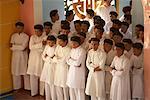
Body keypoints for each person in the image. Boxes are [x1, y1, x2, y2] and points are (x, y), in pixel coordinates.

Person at [10, 22, 30, 90]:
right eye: (17, 28)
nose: (19, 29)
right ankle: (17, 87)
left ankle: (27, 88)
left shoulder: (26, 36)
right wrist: (19, 46)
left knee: (25, 71)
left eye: (20, 28)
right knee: (15, 72)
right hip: (15, 56)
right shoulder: (13, 36)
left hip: (23, 56)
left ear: (23, 28)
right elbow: (10, 47)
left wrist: (15, 46)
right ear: (16, 28)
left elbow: (23, 48)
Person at [27, 24, 46, 96]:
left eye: (38, 31)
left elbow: (43, 49)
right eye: (35, 31)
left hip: (40, 59)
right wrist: (40, 44)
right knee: (32, 76)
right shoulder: (32, 37)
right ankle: (33, 92)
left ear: (42, 31)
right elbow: (30, 47)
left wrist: (37, 46)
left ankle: (41, 93)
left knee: (41, 76)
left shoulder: (45, 37)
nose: (36, 33)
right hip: (33, 59)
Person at [66, 36, 86, 100]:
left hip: (78, 74)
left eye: (74, 43)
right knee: (71, 90)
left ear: (78, 43)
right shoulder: (72, 50)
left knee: (79, 91)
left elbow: (78, 63)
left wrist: (71, 60)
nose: (73, 44)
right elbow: (67, 60)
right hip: (71, 72)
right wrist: (73, 61)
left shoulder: (82, 51)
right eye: (72, 43)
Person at [53, 34, 71, 100]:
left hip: (64, 69)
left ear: (65, 41)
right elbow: (54, 57)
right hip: (57, 68)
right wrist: (58, 59)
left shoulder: (68, 49)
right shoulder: (58, 47)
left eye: (60, 41)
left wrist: (57, 58)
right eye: (58, 41)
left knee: (64, 86)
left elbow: (64, 61)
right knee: (57, 85)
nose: (58, 43)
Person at [40, 35, 57, 100]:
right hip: (46, 66)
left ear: (55, 42)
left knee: (52, 83)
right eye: (49, 42)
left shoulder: (56, 48)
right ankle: (48, 98)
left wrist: (48, 57)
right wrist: (50, 58)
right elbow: (43, 56)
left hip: (53, 67)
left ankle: (53, 98)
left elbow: (55, 58)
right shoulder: (46, 47)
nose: (50, 44)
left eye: (52, 42)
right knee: (46, 82)